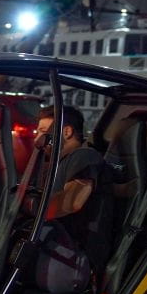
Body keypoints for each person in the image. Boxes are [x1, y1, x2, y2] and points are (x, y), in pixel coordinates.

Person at [34, 105, 112, 281]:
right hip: (55, 244)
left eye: (43, 132)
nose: (38, 138)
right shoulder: (56, 164)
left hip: (74, 255)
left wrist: (33, 210)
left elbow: (71, 202)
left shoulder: (84, 156)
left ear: (67, 131)